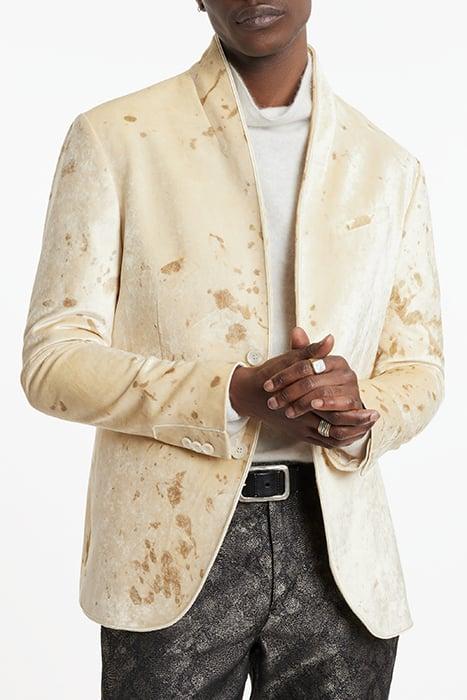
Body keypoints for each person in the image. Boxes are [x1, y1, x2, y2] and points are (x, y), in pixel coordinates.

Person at [20, 1, 444, 697]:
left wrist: (360, 408)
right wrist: (233, 393)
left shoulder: (387, 165)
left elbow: (418, 368)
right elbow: (52, 362)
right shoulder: (116, 138)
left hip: (341, 557)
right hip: (166, 551)